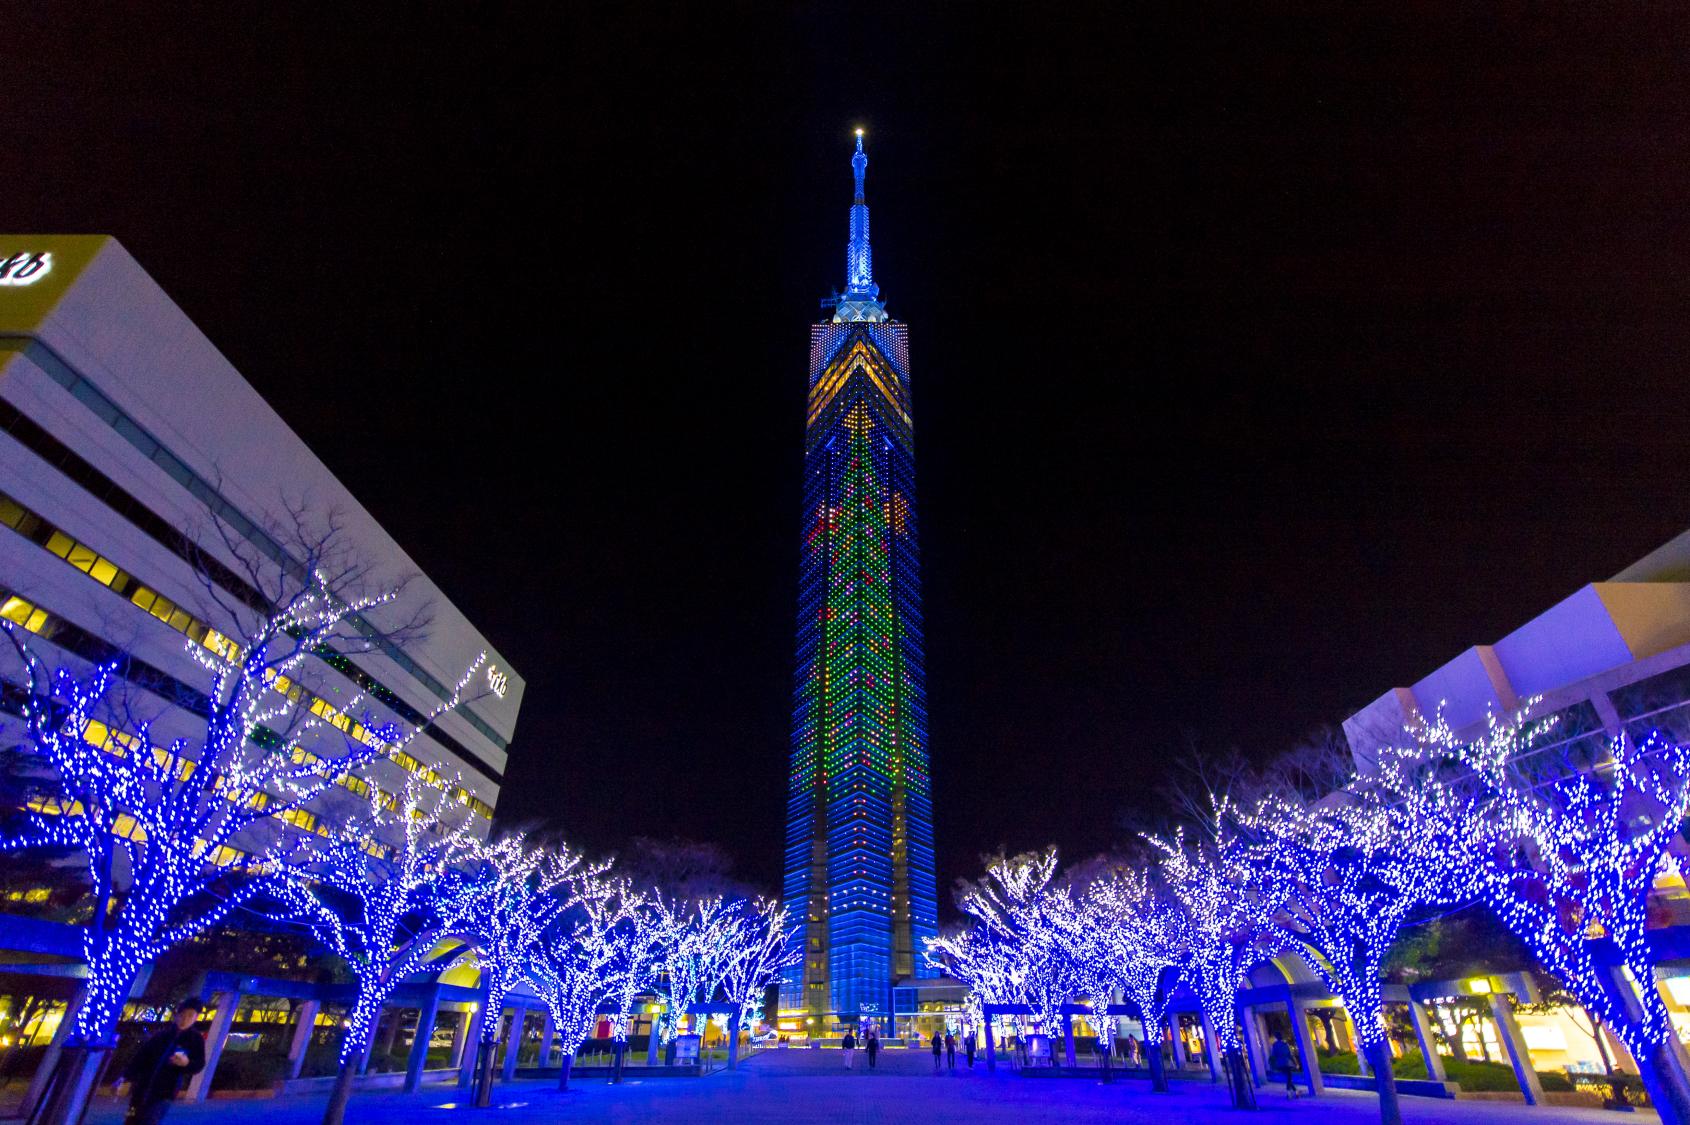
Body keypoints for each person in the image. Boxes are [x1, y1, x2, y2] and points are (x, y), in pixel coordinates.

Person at [116, 1000, 207, 1125]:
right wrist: (126, 1077)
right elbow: (140, 1058)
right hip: (141, 1088)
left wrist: (187, 1064)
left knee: (150, 1120)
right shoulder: (162, 1035)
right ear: (177, 1015)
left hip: (165, 1093)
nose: (185, 1019)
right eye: (183, 1014)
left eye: (190, 1016)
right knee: (131, 1119)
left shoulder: (195, 1039)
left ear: (196, 1018)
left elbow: (199, 1063)